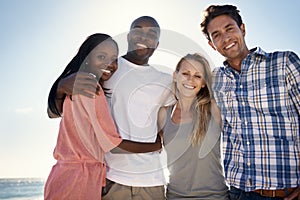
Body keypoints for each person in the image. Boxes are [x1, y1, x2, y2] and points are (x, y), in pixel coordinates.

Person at [47, 16, 174, 200]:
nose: (143, 37)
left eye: (151, 34)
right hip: (111, 178)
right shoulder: (103, 69)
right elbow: (57, 112)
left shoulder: (166, 81)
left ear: (157, 43)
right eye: (137, 30)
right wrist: (60, 87)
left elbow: (182, 112)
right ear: (128, 37)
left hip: (151, 179)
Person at [200, 4, 300, 200]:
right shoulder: (214, 80)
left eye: (229, 28)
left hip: (285, 194)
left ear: (242, 29)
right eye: (217, 35)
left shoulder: (284, 63)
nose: (226, 38)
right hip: (237, 193)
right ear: (212, 45)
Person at [158, 53, 229, 199]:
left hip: (215, 196)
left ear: (203, 83)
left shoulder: (213, 109)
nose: (190, 79)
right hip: (175, 196)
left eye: (198, 76)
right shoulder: (163, 114)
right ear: (175, 75)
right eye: (185, 73)